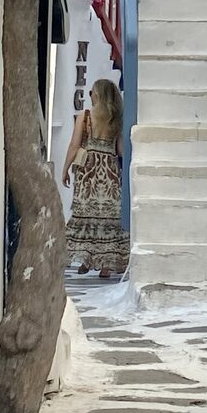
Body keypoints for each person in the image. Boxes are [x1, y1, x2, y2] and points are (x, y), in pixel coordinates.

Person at [62, 75, 127, 280]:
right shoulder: (116, 119)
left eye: (91, 93)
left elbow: (74, 146)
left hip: (88, 172)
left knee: (84, 215)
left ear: (97, 95)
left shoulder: (86, 116)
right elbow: (120, 150)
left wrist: (65, 169)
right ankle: (106, 265)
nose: (90, 96)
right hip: (109, 171)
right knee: (109, 217)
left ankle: (85, 260)